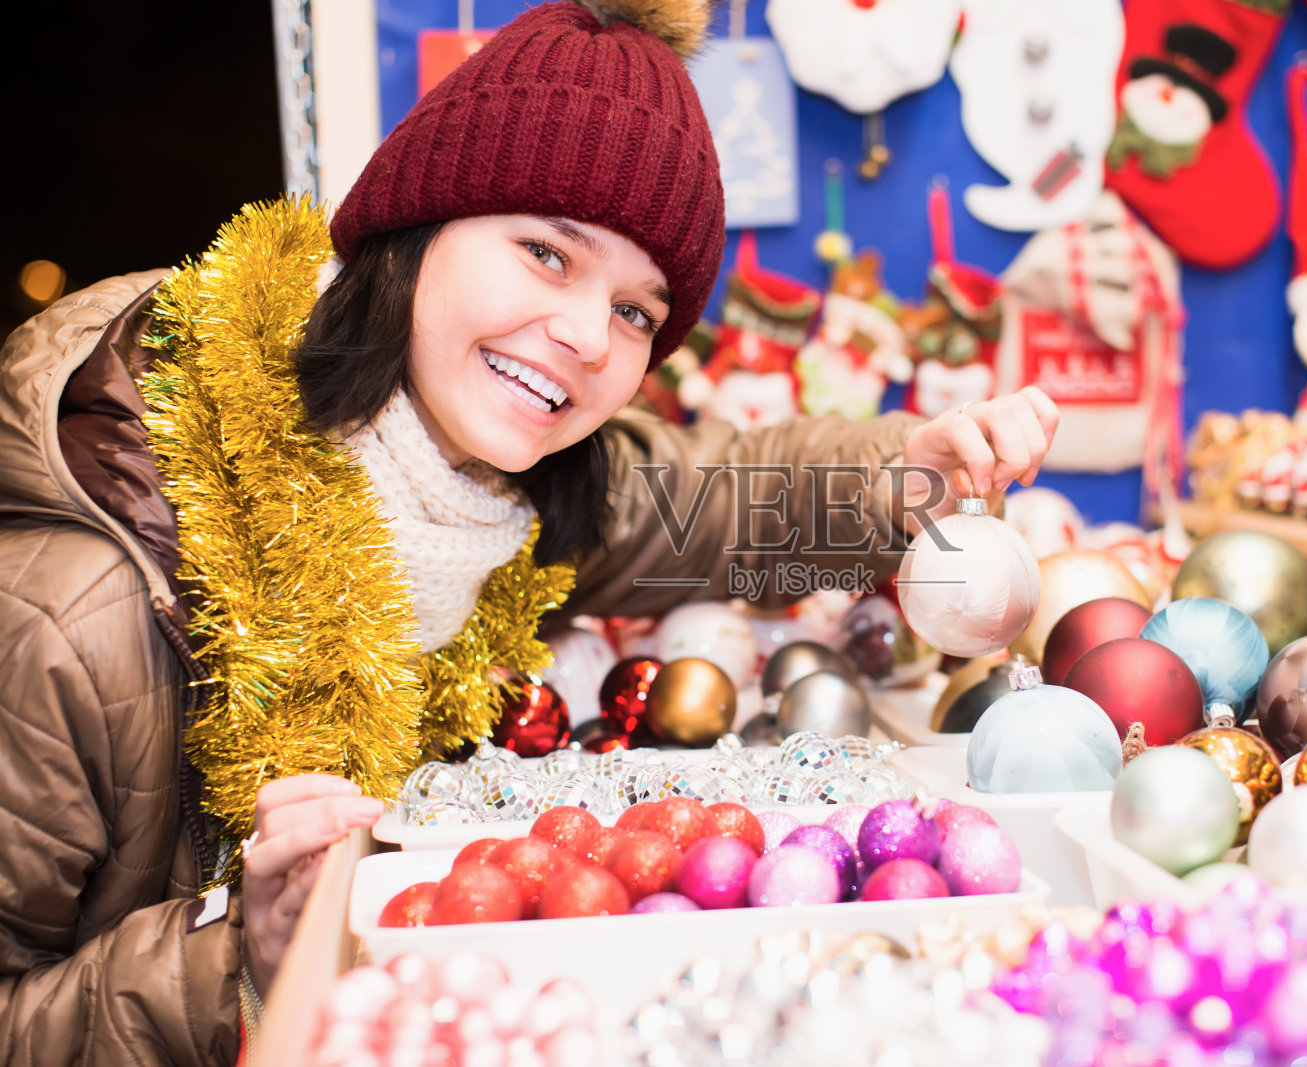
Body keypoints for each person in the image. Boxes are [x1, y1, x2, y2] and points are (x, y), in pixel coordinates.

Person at [0, 1, 1059, 1062]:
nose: (586, 337)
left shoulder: (506, 496)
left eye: (638, 311)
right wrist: (236, 953)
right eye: (547, 255)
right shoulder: (68, 611)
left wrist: (901, 479)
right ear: (413, 230)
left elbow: (721, 503)